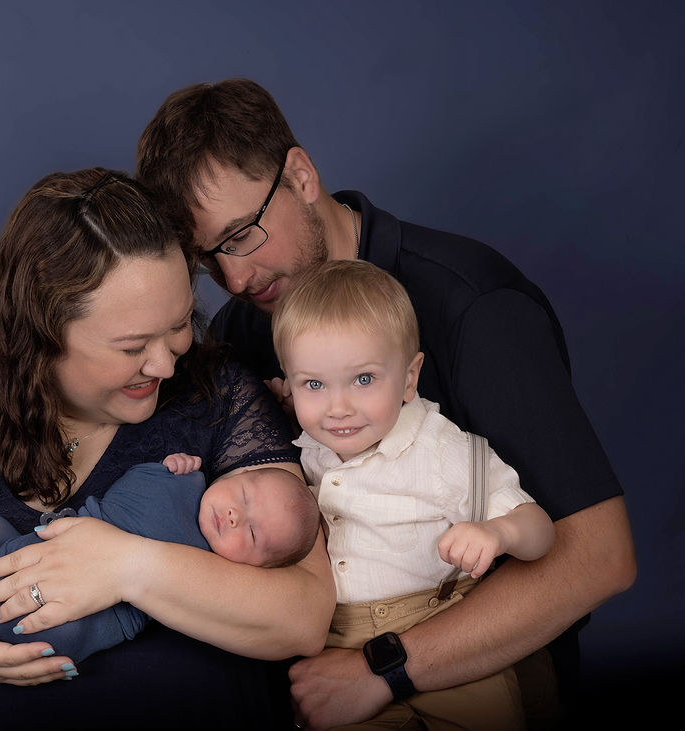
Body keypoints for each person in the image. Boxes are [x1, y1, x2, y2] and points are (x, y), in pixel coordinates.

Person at [136, 78, 636, 728]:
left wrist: (386, 666)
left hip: (474, 675)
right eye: (208, 257)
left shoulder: (471, 307)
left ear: (301, 175)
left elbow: (599, 555)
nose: (234, 279)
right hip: (306, 666)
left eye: (244, 234)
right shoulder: (244, 327)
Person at [0, 168, 335, 729]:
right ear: (41, 333)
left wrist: (129, 566)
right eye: (133, 346)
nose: (167, 362)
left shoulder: (218, 393)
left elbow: (302, 615)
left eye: (179, 325)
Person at [273, 259, 554, 729]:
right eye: (314, 384)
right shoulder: (306, 450)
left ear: (409, 377)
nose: (337, 408)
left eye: (363, 379)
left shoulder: (442, 450)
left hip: (442, 637)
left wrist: (499, 531)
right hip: (338, 648)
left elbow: (541, 531)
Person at [0, 453, 320, 663]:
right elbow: (136, 480)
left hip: (84, 617)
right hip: (23, 558)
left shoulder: (217, 571)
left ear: (257, 568)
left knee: (64, 634)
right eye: (242, 494)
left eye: (252, 533)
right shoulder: (187, 479)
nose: (233, 516)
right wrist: (174, 464)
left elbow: (296, 622)